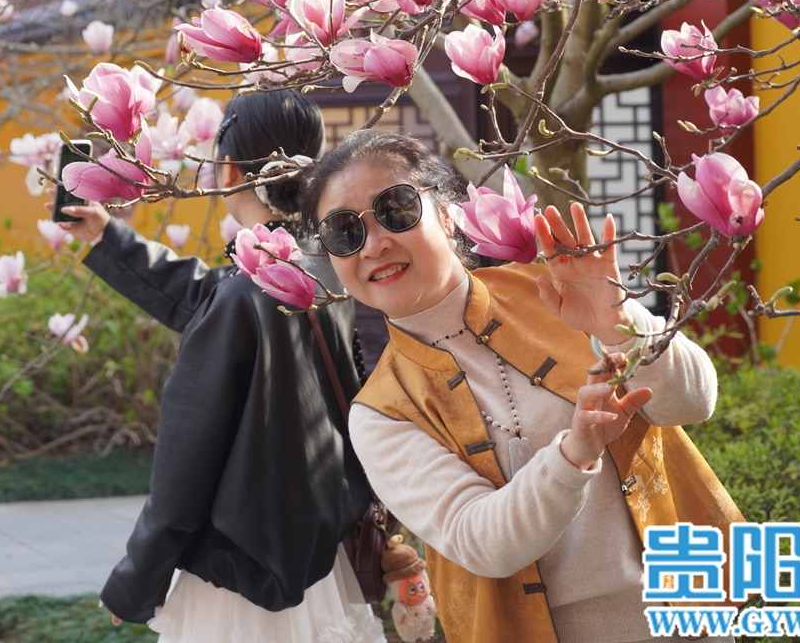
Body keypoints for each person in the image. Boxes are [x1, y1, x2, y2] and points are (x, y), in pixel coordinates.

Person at [302, 130, 742, 643]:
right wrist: (574, 454)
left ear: (446, 214)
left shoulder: (552, 289)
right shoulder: (381, 413)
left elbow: (695, 402)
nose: (375, 244)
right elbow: (481, 541)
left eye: (396, 209)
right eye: (344, 232)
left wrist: (622, 321)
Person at [58, 92, 385, 643]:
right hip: (320, 553)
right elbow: (211, 296)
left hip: (243, 573)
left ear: (228, 169)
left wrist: (137, 582)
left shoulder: (248, 292)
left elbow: (184, 467)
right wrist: (107, 236)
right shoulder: (323, 266)